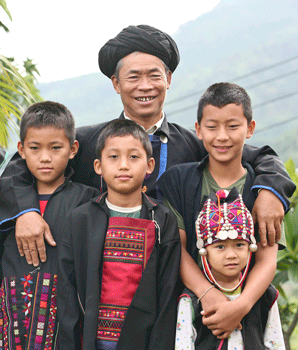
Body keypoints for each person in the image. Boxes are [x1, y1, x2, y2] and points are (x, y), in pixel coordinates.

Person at [0, 25, 294, 270]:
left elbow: (258, 155)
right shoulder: (87, 142)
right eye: (133, 77)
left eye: (154, 75)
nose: (145, 86)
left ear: (168, 79)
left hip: (170, 274)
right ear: (116, 83)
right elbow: (23, 163)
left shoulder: (194, 144)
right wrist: (25, 212)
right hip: (96, 276)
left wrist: (271, 192)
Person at [157, 82, 286, 338]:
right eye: (212, 127)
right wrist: (208, 294)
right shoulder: (177, 182)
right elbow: (176, 248)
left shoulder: (262, 192)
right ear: (198, 130)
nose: (222, 136)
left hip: (252, 311)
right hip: (192, 310)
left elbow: (267, 259)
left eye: (233, 126)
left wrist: (241, 305)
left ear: (250, 129)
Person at [57, 119, 180, 350]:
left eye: (134, 157)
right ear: (98, 166)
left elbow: (168, 294)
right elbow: (68, 292)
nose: (124, 165)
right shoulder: (81, 219)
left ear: (150, 165)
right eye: (113, 157)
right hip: (92, 339)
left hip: (145, 340)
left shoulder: (162, 220)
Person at [0, 101, 99, 349]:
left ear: (73, 148)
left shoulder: (88, 200)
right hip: (11, 318)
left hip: (67, 323)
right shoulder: (7, 202)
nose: (45, 158)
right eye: (35, 148)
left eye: (56, 148)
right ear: (21, 150)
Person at [175, 189, 285, 349]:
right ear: (205, 252)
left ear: (250, 247)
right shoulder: (191, 302)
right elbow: (184, 345)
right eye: (220, 247)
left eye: (239, 245)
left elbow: (275, 344)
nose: (231, 255)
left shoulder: (265, 295)